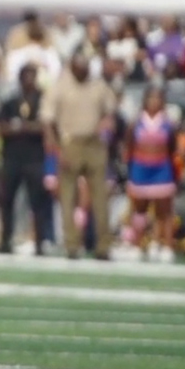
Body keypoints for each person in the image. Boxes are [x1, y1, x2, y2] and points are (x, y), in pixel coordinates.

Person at [43, 54, 117, 259]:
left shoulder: (98, 86)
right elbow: (48, 121)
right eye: (78, 68)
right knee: (68, 197)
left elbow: (110, 112)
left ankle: (103, 245)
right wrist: (56, 149)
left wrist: (105, 129)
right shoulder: (60, 86)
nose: (82, 72)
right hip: (70, 142)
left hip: (94, 142)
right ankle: (72, 245)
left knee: (100, 197)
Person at [0, 63, 53, 255]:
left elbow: (44, 127)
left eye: (32, 76)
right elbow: (1, 127)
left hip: (34, 159)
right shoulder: (10, 102)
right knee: (7, 200)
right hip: (12, 158)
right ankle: (5, 240)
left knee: (37, 202)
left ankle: (39, 242)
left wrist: (22, 127)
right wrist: (20, 128)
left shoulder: (43, 101)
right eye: (26, 76)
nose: (29, 80)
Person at [124, 87, 178, 260]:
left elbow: (172, 147)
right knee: (140, 209)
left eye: (157, 99)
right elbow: (129, 145)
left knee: (164, 210)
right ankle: (137, 245)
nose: (154, 102)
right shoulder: (136, 122)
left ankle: (165, 245)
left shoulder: (168, 123)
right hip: (140, 169)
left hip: (161, 169)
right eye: (151, 98)